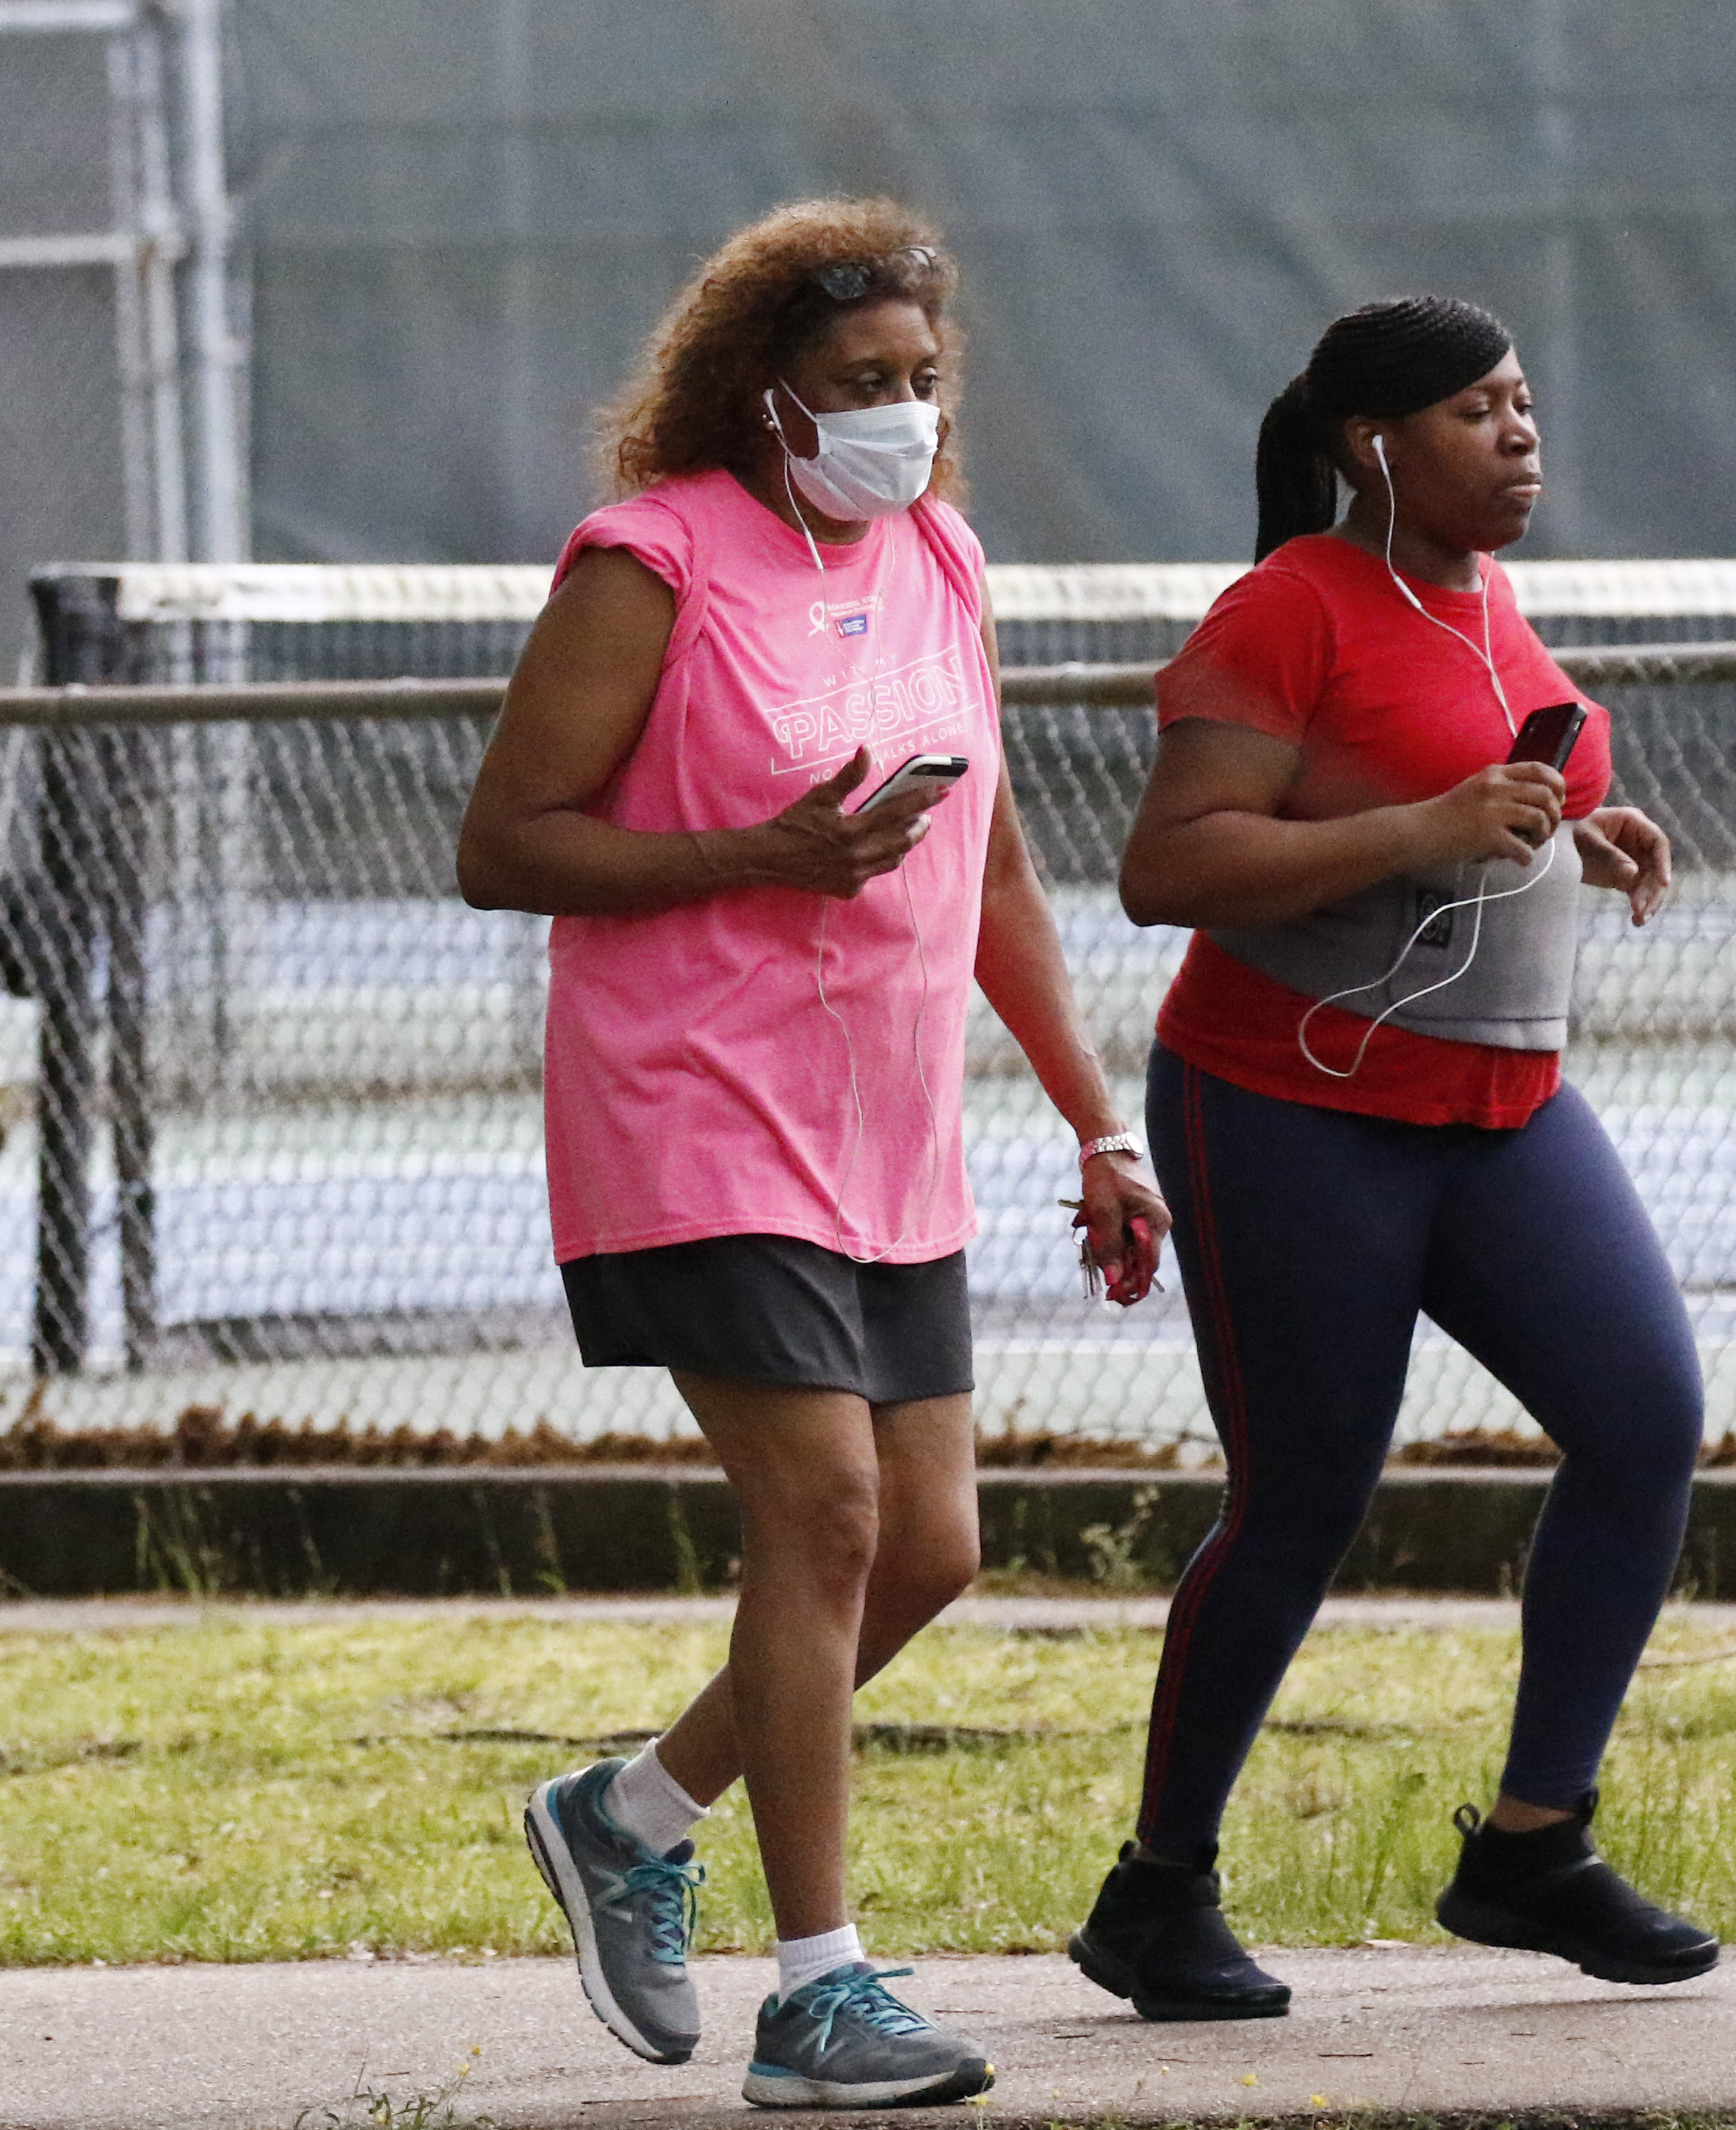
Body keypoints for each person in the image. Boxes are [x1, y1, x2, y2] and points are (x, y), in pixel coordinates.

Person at [455, 198, 1166, 2110]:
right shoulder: (648, 563)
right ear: (764, 396)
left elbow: (992, 860)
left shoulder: (940, 551)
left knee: (930, 1544)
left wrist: (1100, 1116)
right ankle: (821, 1990)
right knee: (829, 1513)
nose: (904, 418)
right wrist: (749, 856)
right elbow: (504, 841)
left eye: (924, 382)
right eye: (863, 387)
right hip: (693, 1102)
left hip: (888, 1124)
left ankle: (631, 1812)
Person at [1063, 295, 1711, 2021]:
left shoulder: (1485, 602)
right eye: (1479, 408)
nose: (1521, 434)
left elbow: (1469, 798)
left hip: (1497, 1110)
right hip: (1285, 1106)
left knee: (1644, 1420)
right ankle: (1158, 1892)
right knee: (1301, 1498)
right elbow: (1170, 865)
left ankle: (1529, 1842)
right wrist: (1426, 824)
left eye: (1525, 402)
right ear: (1374, 443)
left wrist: (1574, 833)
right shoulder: (1288, 609)